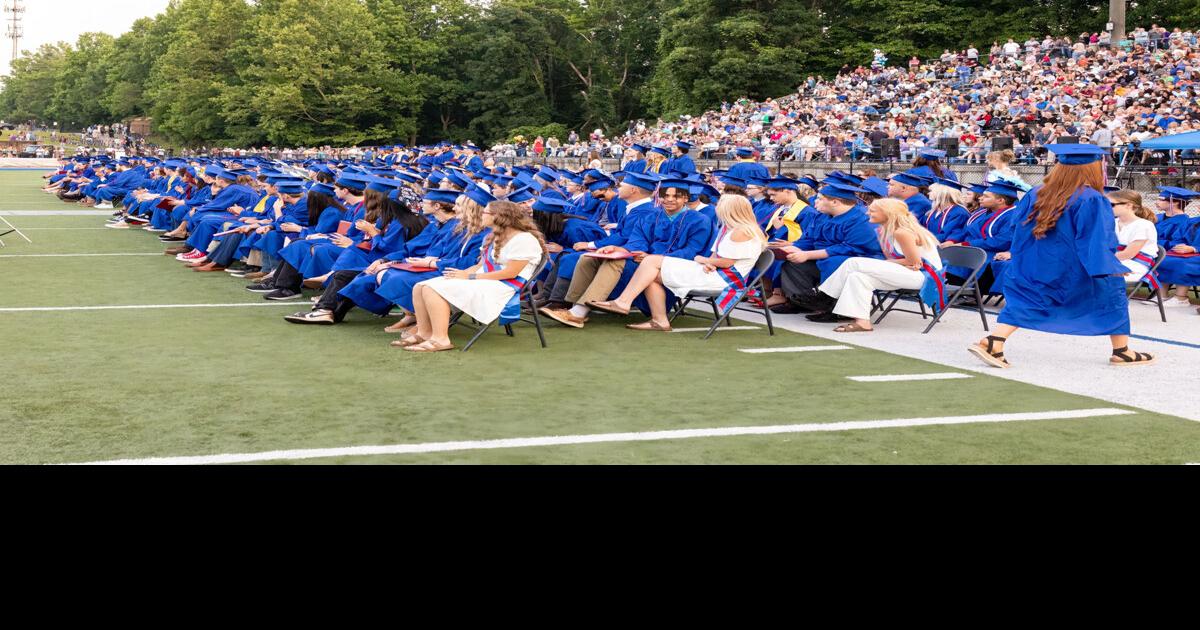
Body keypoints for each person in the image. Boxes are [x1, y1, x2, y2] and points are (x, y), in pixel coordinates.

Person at [968, 144, 1155, 368]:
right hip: (1072, 264)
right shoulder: (1091, 198)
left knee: (1031, 299)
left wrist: (1020, 257)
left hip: (1036, 260)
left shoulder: (1035, 193)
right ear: (1091, 169)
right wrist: (1107, 265)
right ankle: (1122, 351)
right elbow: (1096, 237)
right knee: (1111, 293)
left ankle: (994, 341)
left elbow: (1018, 228)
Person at [587, 194, 767, 331]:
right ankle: (659, 320)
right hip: (711, 271)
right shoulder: (731, 228)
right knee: (651, 274)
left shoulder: (741, 231)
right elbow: (718, 256)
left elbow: (727, 262)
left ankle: (624, 302)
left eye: (721, 205)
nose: (717, 208)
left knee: (650, 261)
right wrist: (710, 261)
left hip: (724, 279)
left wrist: (702, 259)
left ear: (731, 210)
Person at [399, 200, 546, 352]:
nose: (481, 214)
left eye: (485, 212)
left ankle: (441, 339)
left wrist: (470, 277)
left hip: (504, 285)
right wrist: (464, 273)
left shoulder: (524, 239)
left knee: (431, 289)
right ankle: (424, 333)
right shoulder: (493, 236)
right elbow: (479, 266)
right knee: (420, 286)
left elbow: (510, 273)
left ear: (498, 216)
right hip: (485, 279)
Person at [814, 198, 945, 332]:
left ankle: (824, 297)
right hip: (908, 272)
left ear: (888, 213)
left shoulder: (903, 232)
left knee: (853, 262)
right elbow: (901, 261)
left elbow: (915, 262)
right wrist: (890, 264)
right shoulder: (883, 231)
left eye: (873, 211)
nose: (867, 213)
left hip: (927, 277)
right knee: (857, 277)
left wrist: (885, 263)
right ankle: (862, 322)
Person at [1151, 186, 1200, 308]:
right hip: (1187, 252)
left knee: (1182, 263)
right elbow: (1180, 239)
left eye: (1161, 199)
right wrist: (1184, 246)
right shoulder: (1193, 221)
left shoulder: (1183, 220)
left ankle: (1181, 298)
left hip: (1195, 254)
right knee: (1165, 259)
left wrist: (1194, 248)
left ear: (1175, 201)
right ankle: (1161, 295)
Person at [1108, 189, 1158, 286]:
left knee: (1098, 274)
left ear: (1128, 205)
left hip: (1135, 265)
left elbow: (1128, 254)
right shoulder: (1112, 222)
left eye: (1111, 205)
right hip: (1115, 261)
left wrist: (1100, 259)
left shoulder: (1144, 225)